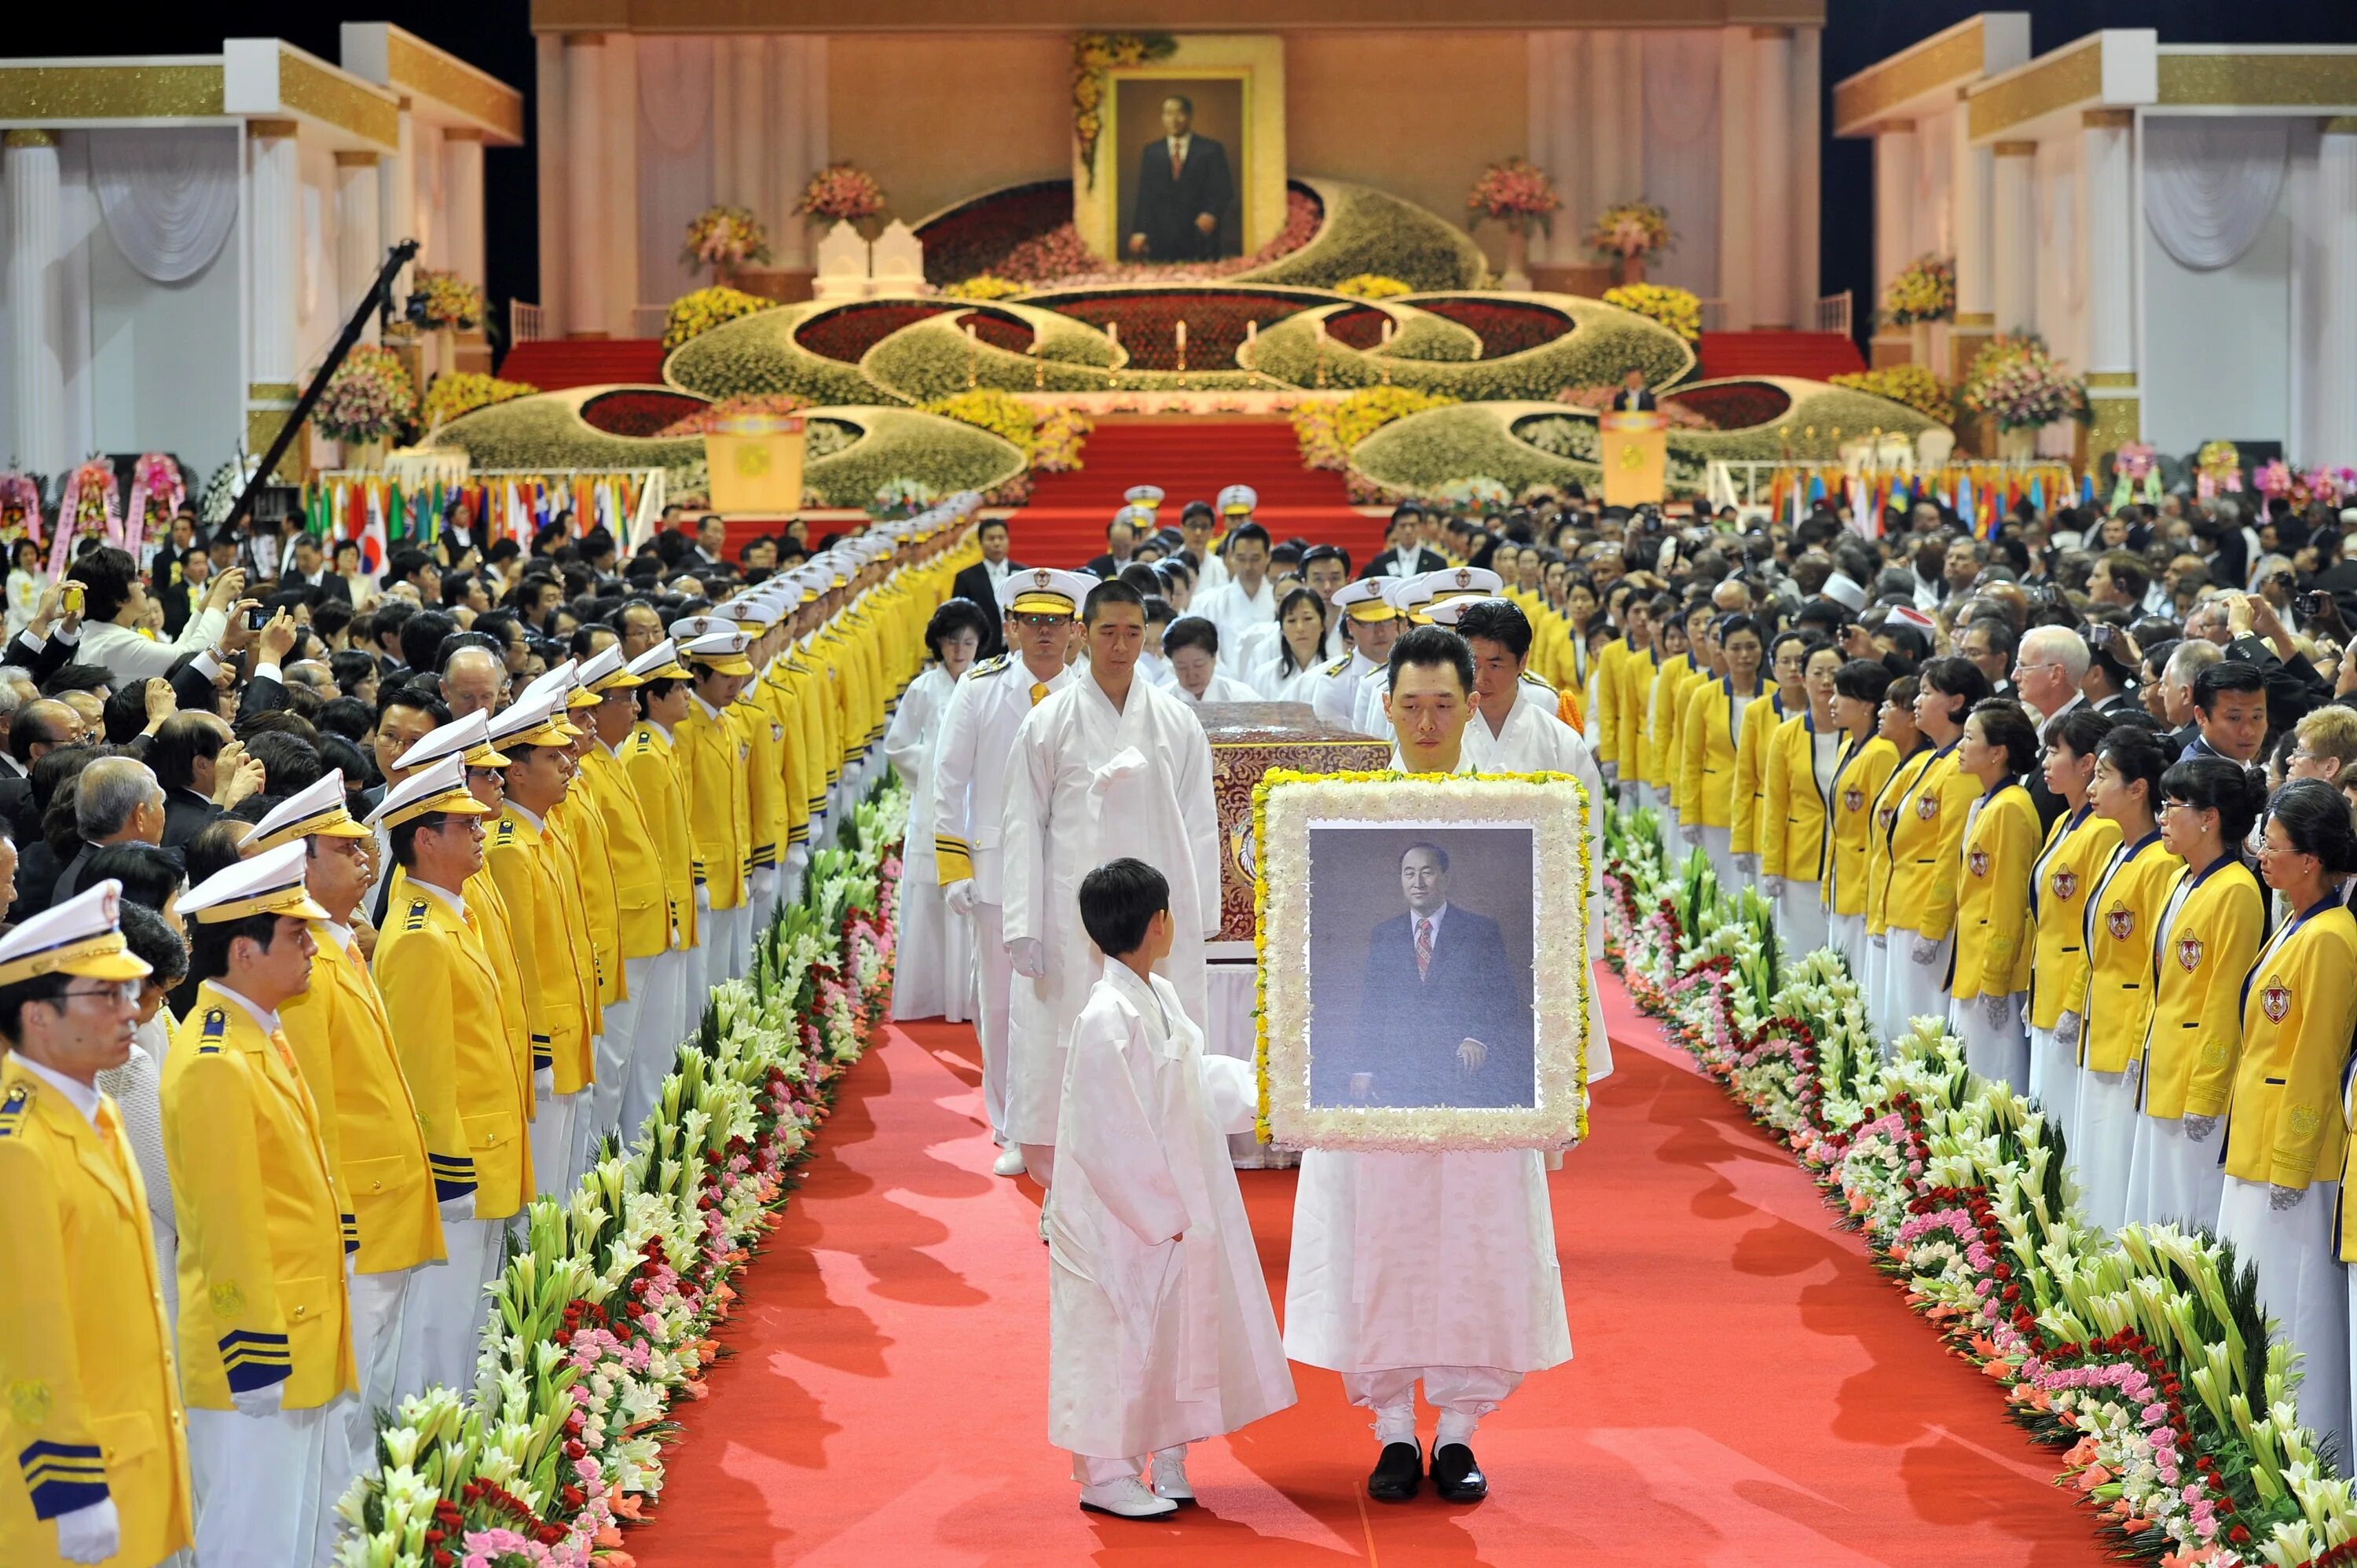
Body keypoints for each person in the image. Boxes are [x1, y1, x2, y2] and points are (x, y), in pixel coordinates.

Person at [1286, 626, 1571, 1505]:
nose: (1427, 719)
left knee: (1472, 1248)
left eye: (1445, 701)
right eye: (1410, 703)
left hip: (1477, 1104)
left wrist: (1547, 1080)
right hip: (1375, 1104)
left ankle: (1456, 1430)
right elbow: (1335, 994)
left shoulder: (1519, 807)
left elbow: (1540, 974)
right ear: (1387, 707)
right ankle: (1392, 1430)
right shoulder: (1338, 811)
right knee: (1382, 1244)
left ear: (1470, 701)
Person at [1048, 857, 1292, 1519]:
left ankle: (1171, 1456)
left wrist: (1264, 1089)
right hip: (1122, 1214)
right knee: (1116, 1332)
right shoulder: (1105, 1017)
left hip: (1176, 1198)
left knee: (1175, 1328)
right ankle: (1105, 1474)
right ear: (1160, 923)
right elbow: (1105, 1134)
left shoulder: (1158, 997)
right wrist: (1160, 1211)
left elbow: (1191, 1082)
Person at [255, 771, 446, 1549]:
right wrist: (339, 1224)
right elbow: (316, 1116)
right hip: (355, 1211)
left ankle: (366, 1527)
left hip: (385, 1196)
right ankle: (349, 1540)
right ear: (299, 866)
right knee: (344, 1402)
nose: (368, 855)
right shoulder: (306, 970)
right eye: (344, 848)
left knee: (364, 1391)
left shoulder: (338, 946)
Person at [162, 842, 355, 1567]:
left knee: (289, 1530)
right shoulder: (217, 1062)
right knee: (251, 1539)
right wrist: (253, 1351)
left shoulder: (254, 1035)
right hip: (259, 1344)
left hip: (296, 1324)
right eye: (296, 935)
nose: (311, 947)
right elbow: (225, 1221)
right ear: (244, 951)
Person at [1002, 580, 1219, 1212]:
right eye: (1107, 632)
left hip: (1154, 922)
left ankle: (1164, 1189)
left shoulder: (1175, 721)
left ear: (1146, 634)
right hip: (1074, 917)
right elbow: (1022, 822)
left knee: (1156, 1046)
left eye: (1132, 633)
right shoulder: (1048, 721)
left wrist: (1196, 916)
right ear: (1082, 634)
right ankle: (1068, 1196)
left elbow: (1199, 820)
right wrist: (1023, 922)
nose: (1121, 646)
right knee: (1072, 1042)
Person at [0, 881, 192, 1568]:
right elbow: (30, 1336)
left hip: (130, 1439)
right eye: (104, 996)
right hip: (75, 1471)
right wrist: (70, 1485)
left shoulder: (93, 1102)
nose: (128, 1013)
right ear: (39, 1017)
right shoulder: (18, 1147)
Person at [365, 757, 525, 1397]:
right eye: (465, 823)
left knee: (467, 1317)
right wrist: (448, 1170)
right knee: (439, 1327)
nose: (484, 825)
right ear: (425, 840)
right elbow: (422, 1068)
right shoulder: (418, 937)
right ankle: (431, 1455)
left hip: (485, 1142)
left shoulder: (449, 912)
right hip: (461, 1160)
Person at [933, 570, 1091, 1178]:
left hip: (1077, 871)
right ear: (1013, 628)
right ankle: (1013, 1125)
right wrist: (954, 869)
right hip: (998, 869)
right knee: (1000, 1002)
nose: (1045, 634)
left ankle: (1070, 1122)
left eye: (1056, 622)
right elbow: (947, 782)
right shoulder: (980, 689)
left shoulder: (1092, 691)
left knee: (1072, 999)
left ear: (1075, 631)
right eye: (1034, 622)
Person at [2229, 779, 2357, 1456]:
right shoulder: (2294, 920)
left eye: (2271, 847)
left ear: (2310, 860)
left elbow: (2316, 1058)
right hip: (2256, 1133)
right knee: (2256, 1293)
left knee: (2292, 1301)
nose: (2260, 859)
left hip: (2294, 1155)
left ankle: (2303, 1442)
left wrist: (2292, 1160)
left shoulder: (2333, 936)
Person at [2123, 757, 2266, 1229]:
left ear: (2209, 818)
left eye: (2172, 805)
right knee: (2151, 1206)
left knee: (2186, 1215)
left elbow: (2226, 1001)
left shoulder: (2237, 890)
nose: (2161, 816)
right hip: (2160, 1063)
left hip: (2193, 1076)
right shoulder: (2179, 878)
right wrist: (2137, 1049)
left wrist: (2208, 1091)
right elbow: (2156, 979)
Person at [2064, 725, 2182, 1233]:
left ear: (2138, 789)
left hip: (2126, 1029)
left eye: (2104, 776)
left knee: (2113, 1161)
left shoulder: (2159, 861)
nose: (2091, 786)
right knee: (2092, 1157)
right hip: (2100, 1019)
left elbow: (2154, 966)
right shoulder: (2120, 849)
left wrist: (2139, 1043)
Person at [884, 599, 988, 1022]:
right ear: (938, 643)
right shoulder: (924, 688)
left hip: (977, 803)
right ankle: (928, 996)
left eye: (968, 641)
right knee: (929, 900)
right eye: (952, 641)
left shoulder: (986, 683)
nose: (960, 650)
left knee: (974, 899)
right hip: (932, 808)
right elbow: (897, 746)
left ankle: (968, 998)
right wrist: (935, 762)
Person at [1884, 657, 1992, 1035]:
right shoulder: (1935, 758)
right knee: (1897, 1022)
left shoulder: (1961, 768)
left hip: (1929, 913)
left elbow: (1952, 852)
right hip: (1904, 905)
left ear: (1956, 703)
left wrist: (1933, 925)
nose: (1916, 701)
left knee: (1919, 1030)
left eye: (1927, 693)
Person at [2023, 709, 2121, 1122]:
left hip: (2071, 988)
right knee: (2041, 1109)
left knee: (2059, 1116)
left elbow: (2093, 925)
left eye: (2054, 751)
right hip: (2046, 977)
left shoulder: (2104, 830)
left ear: (2086, 764)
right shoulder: (2065, 820)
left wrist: (2074, 1000)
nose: (2045, 762)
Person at [1948, 700, 2041, 1089]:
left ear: (1998, 753)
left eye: (1970, 738)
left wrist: (1996, 977)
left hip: (1992, 965)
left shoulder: (2012, 808)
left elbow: (2008, 897)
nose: (1959, 745)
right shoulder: (1988, 802)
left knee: (1992, 1079)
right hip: (1971, 954)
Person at [1759, 642, 1844, 962]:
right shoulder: (1786, 734)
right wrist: (1772, 865)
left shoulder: (1858, 736)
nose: (1825, 681)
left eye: (1833, 673)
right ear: (1803, 678)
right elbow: (1776, 804)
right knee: (1798, 953)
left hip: (1845, 865)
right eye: (1817, 673)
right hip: (1800, 858)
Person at [1677, 614, 1766, 888]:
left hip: (1760, 807)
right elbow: (1691, 759)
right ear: (1722, 651)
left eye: (1751, 647)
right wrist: (1689, 813)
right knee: (1720, 885)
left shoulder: (1773, 697)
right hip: (1716, 804)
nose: (1744, 655)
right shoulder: (1704, 696)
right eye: (1736, 648)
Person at [1822, 660, 1900, 971]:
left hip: (1863, 883)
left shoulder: (1882, 753)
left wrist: (1873, 893)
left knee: (1854, 973)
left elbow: (1880, 832)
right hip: (1842, 876)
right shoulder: (1847, 747)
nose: (1831, 702)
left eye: (1841, 694)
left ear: (1867, 705)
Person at [1127, 93, 1234, 261]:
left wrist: (1211, 213)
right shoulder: (1152, 152)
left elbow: (1224, 189)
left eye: (1180, 113)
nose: (1174, 119)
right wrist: (1139, 231)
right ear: (1163, 117)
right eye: (1168, 113)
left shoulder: (1211, 149)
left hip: (1199, 236)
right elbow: (1145, 195)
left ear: (1190, 116)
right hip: (1160, 237)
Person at [1311, 580, 1401, 731]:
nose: (1380, 632)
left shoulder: (1412, 670)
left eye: (1386, 621)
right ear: (1350, 626)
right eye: (1369, 624)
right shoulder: (1333, 684)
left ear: (1397, 623)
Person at [950, 520, 1022, 660]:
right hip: (982, 651)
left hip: (1019, 650)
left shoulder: (1022, 574)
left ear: (1008, 540)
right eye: (991, 538)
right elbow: (958, 619)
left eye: (1001, 538)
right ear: (980, 542)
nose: (996, 543)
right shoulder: (966, 578)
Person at [1160, 615, 1259, 706]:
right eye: (1182, 667)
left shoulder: (1241, 697)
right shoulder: (1161, 701)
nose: (1191, 674)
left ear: (1214, 658)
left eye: (1198, 664)